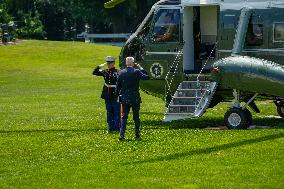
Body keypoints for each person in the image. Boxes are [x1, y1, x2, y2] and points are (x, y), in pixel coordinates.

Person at [116, 57, 150, 140]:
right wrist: (141, 68)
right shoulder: (137, 72)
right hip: (135, 98)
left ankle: (122, 135)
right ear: (133, 63)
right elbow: (147, 77)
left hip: (124, 98)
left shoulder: (121, 72)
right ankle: (137, 134)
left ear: (126, 63)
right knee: (136, 117)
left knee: (124, 117)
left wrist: (119, 96)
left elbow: (118, 87)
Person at [93, 56, 120, 133]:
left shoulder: (118, 72)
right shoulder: (105, 71)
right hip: (107, 95)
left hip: (116, 95)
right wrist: (100, 66)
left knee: (117, 111)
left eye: (110, 63)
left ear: (114, 63)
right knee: (109, 111)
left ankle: (117, 128)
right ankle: (111, 127)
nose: (108, 65)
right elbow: (94, 72)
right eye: (107, 63)